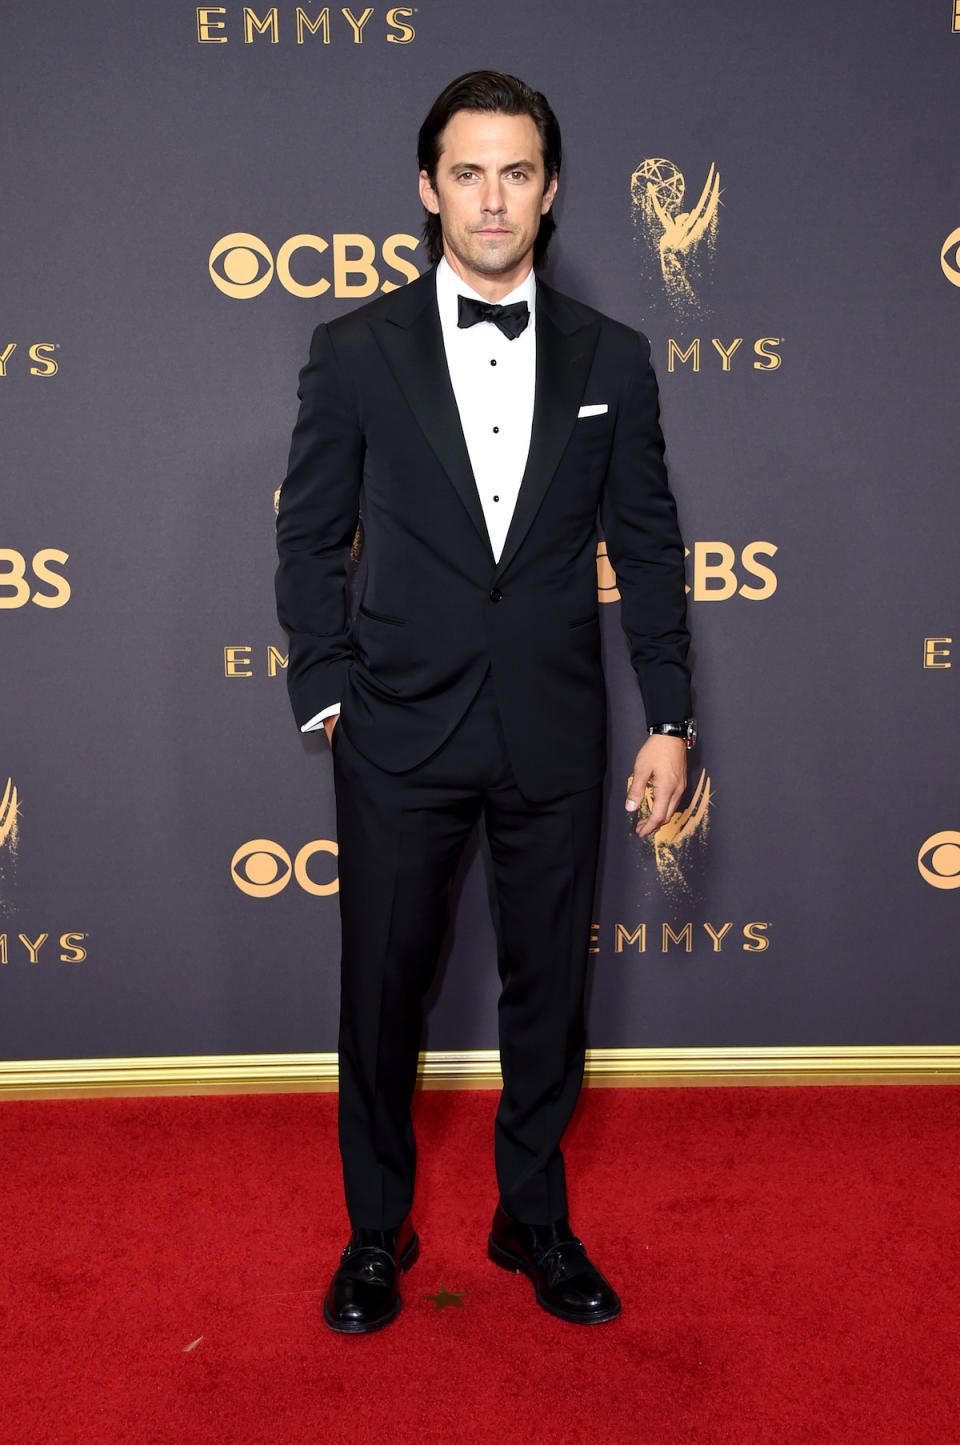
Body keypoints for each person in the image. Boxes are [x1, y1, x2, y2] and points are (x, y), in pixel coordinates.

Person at [275, 69, 694, 1334]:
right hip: (396, 728)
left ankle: (534, 1218)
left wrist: (670, 716)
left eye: (517, 172)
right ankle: (373, 1231)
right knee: (381, 993)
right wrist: (326, 693)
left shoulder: (616, 357)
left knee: (548, 993)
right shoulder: (354, 350)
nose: (493, 197)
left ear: (551, 190)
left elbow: (655, 548)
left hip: (557, 729)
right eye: (468, 171)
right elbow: (308, 538)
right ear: (427, 187)